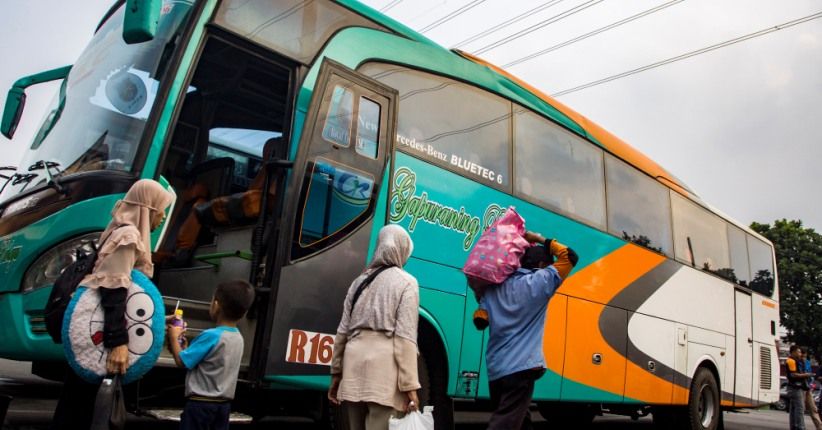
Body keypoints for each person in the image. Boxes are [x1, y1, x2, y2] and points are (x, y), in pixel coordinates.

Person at [51, 179, 175, 430]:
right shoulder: (128, 236)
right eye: (161, 208)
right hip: (104, 332)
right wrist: (117, 342)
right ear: (147, 207)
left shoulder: (119, 230)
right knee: (84, 408)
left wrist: (158, 320)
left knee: (80, 402)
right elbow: (113, 291)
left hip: (102, 326)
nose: (162, 216)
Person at [328, 225, 420, 430]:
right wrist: (410, 386)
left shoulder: (358, 282)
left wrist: (336, 373)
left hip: (352, 369)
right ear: (402, 250)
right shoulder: (407, 283)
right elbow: (405, 338)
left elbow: (343, 331)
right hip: (383, 375)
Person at [482, 231, 578, 430]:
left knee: (519, 419)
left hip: (496, 370)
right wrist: (539, 239)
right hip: (520, 370)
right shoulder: (540, 282)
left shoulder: (495, 287)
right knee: (505, 423)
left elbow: (481, 314)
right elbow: (570, 256)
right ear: (542, 266)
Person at [166, 280, 255, 430]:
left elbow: (182, 361)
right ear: (244, 313)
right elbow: (207, 361)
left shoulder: (211, 335)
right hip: (223, 407)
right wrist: (185, 348)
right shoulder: (238, 338)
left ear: (216, 305)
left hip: (200, 405)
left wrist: (173, 336)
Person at [787, 344, 813, 430]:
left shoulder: (796, 361)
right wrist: (806, 375)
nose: (800, 353)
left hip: (796, 387)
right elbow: (793, 375)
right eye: (798, 351)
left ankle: (794, 426)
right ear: (793, 352)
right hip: (795, 387)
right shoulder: (791, 361)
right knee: (800, 408)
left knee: (794, 408)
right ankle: (800, 427)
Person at [801, 348, 822, 430]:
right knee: (799, 409)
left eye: (805, 356)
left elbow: (811, 375)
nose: (804, 358)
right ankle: (799, 426)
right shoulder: (797, 362)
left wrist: (809, 377)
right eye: (803, 356)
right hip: (800, 388)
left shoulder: (807, 363)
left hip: (808, 387)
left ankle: (819, 427)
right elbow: (817, 376)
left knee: (813, 409)